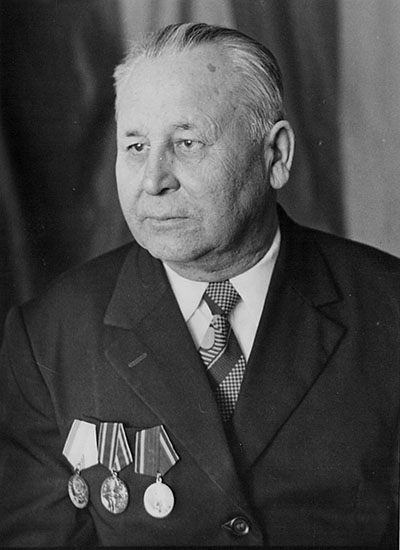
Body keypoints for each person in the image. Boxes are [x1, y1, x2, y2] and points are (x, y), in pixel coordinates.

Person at [0, 22, 398, 548]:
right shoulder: (48, 335)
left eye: (187, 143)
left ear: (276, 156)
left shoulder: (389, 309)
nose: (153, 180)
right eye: (136, 146)